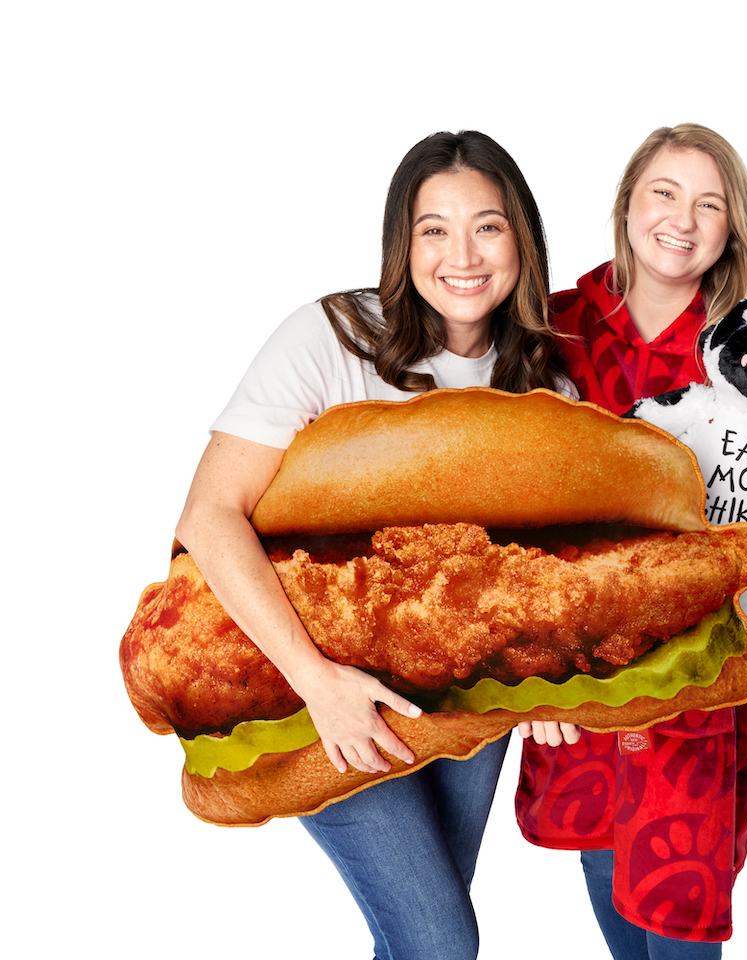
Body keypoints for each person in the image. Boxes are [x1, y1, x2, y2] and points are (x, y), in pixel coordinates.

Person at [175, 130, 570, 960]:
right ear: (403, 243)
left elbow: (541, 562)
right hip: (318, 685)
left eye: (487, 226)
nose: (461, 254)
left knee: (422, 937)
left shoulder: (544, 384)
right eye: (434, 229)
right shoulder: (331, 336)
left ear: (521, 239)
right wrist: (316, 682)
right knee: (439, 941)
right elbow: (208, 516)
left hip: (469, 689)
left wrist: (554, 685)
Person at [513, 123, 747, 958]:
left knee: (681, 935)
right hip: (582, 688)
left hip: (703, 692)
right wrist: (524, 671)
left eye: (709, 203)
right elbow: (504, 513)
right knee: (621, 935)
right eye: (665, 192)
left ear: (731, 227)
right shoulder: (553, 328)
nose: (682, 220)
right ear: (626, 203)